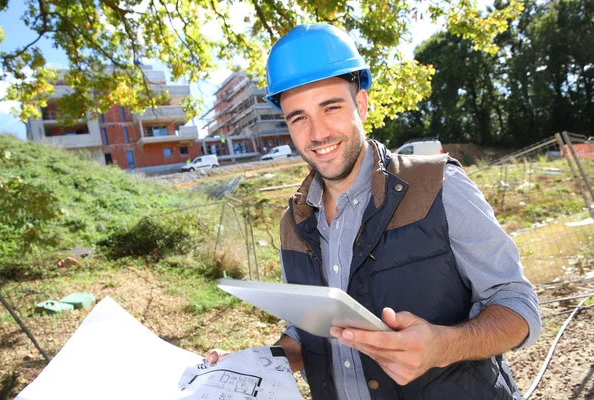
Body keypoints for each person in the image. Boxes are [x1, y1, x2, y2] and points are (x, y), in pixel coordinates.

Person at [207, 24, 541, 399]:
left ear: (361, 105)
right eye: (298, 117)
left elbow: (518, 305)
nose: (317, 133)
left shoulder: (439, 187)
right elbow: (306, 334)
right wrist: (251, 365)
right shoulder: (293, 224)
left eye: (330, 107)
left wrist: (443, 346)